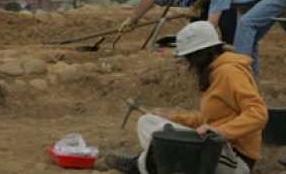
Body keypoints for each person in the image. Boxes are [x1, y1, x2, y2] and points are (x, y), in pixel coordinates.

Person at [105, 21, 268, 174]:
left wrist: (221, 132)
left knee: (171, 149)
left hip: (233, 159)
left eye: (188, 57)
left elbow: (259, 114)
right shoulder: (213, 72)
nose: (187, 64)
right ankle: (152, 162)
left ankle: (139, 165)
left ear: (199, 55)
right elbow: (206, 121)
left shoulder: (230, 73)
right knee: (148, 122)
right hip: (213, 147)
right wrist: (174, 118)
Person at [181, 0, 286, 77]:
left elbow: (211, 26)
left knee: (245, 25)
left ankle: (239, 75)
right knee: (249, 38)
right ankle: (251, 80)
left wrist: (191, 47)